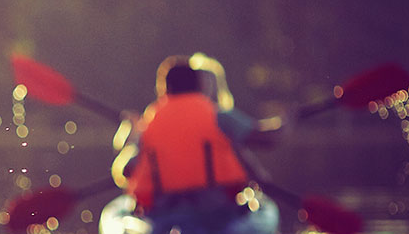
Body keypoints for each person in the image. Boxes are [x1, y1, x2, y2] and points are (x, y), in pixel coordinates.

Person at [112, 53, 282, 212]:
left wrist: (133, 133)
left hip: (164, 212)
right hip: (217, 211)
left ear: (163, 90)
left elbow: (125, 171)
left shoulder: (149, 123)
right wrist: (289, 119)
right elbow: (267, 140)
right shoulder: (219, 117)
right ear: (199, 85)